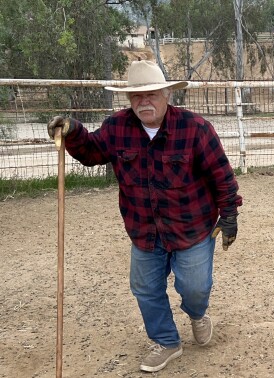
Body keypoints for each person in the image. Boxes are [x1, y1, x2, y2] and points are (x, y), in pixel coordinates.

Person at [47, 60, 243, 373]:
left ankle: (197, 313)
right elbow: (91, 151)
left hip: (191, 228)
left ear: (167, 94)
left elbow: (221, 175)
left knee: (195, 288)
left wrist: (230, 215)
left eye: (151, 94)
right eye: (137, 96)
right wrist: (73, 131)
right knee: (146, 289)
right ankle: (166, 340)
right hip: (144, 230)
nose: (144, 101)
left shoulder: (195, 128)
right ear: (129, 99)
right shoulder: (117, 127)